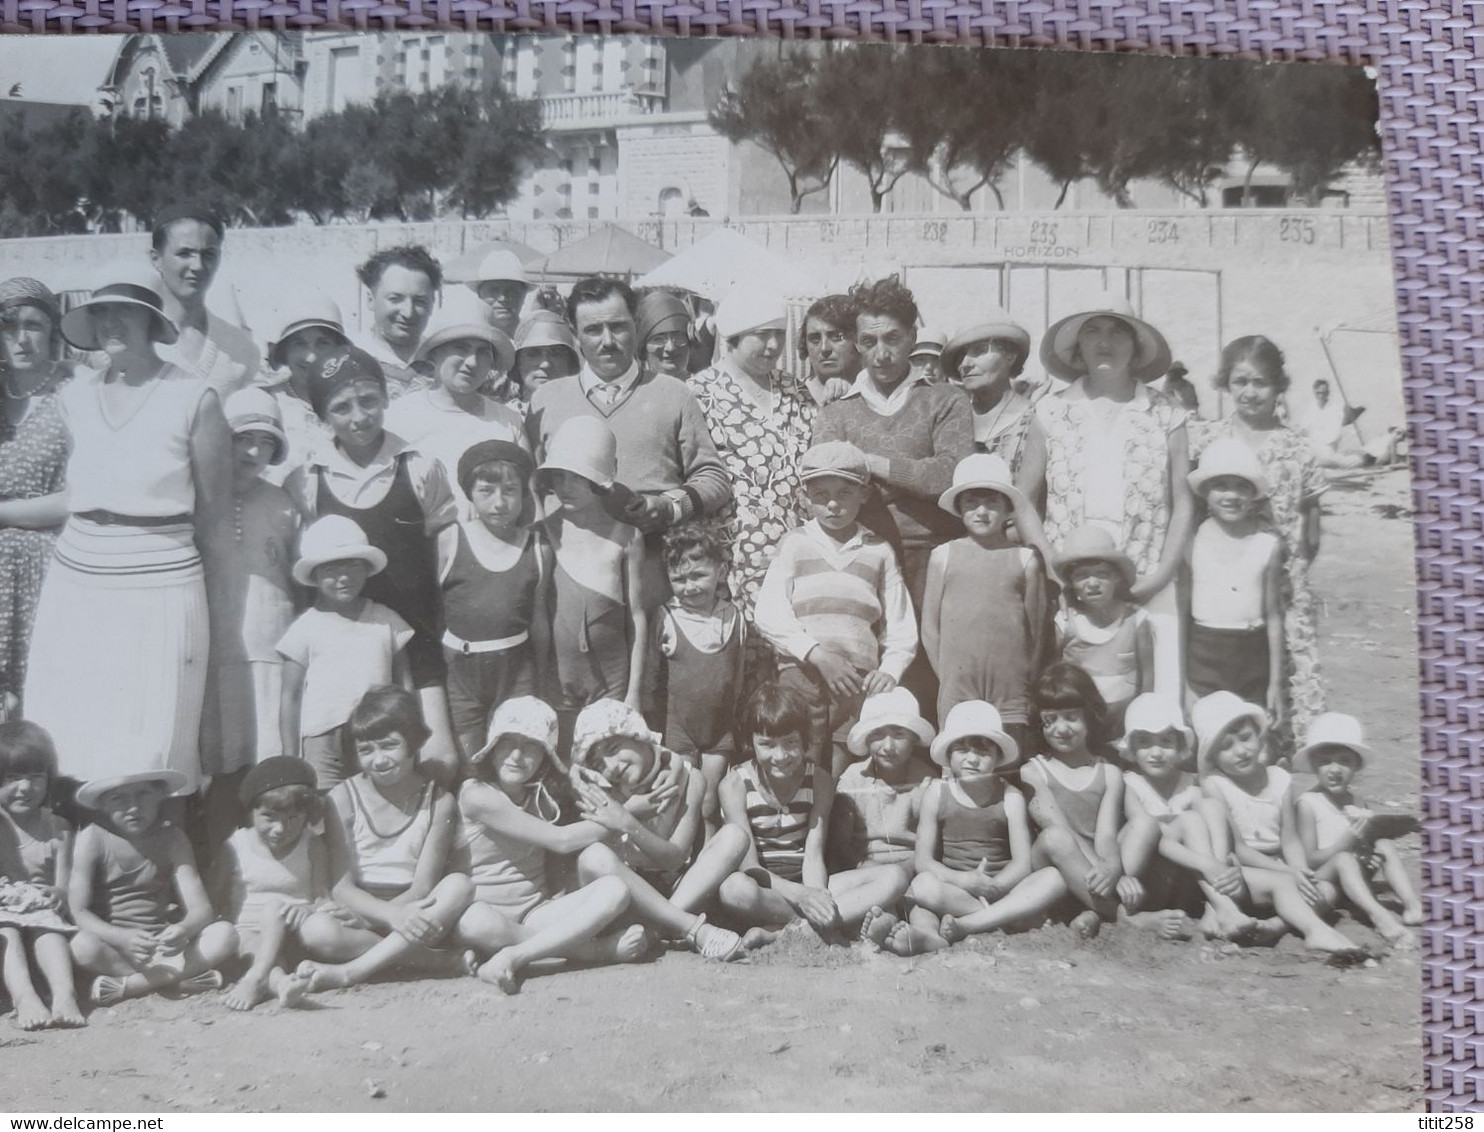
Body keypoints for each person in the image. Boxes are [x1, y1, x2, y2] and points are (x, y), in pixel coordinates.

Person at [24, 267, 234, 796]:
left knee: (155, 732)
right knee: (74, 725)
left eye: (125, 312)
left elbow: (212, 515)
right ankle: (79, 862)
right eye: (102, 313)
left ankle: (161, 865)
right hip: (79, 575)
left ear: (151, 323)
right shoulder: (76, 395)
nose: (112, 323)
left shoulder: (195, 397)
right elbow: (81, 492)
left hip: (161, 577)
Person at [282, 347, 459, 779]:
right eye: (341, 408)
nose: (358, 416)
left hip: (413, 645)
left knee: (437, 761)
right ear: (324, 416)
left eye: (369, 401)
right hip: (341, 653)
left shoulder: (419, 468)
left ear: (384, 399)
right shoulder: (308, 479)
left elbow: (447, 557)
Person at [1015, 293, 1193, 699]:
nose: (1104, 341)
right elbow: (1024, 498)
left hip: (1147, 575)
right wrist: (1052, 566)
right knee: (1078, 694)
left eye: (1116, 331)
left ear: (1137, 346)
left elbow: (1183, 500)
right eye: (1092, 331)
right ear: (1077, 347)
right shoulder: (1051, 411)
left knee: (1154, 692)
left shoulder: (1166, 412)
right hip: (1075, 582)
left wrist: (1163, 573)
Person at [526, 276, 731, 617]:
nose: (608, 341)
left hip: (654, 569)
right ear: (575, 335)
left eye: (618, 327)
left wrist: (668, 506)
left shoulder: (674, 393)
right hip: (570, 577)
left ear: (635, 327)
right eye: (593, 330)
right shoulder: (546, 401)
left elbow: (713, 477)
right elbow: (530, 486)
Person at [1189, 337, 1328, 759]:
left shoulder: (1298, 446)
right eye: (1240, 381)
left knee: (1285, 675)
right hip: (1218, 578)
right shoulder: (1207, 438)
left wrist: (1293, 567)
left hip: (1280, 579)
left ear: (1279, 386)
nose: (1250, 392)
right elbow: (1193, 511)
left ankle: (1277, 762)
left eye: (1261, 383)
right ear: (1225, 384)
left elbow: (1313, 523)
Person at [452, 698, 648, 992]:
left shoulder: (542, 795)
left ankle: (514, 954)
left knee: (615, 889)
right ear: (492, 748)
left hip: (534, 911)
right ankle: (590, 951)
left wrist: (580, 778)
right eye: (508, 743)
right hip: (484, 912)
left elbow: (587, 782)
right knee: (473, 923)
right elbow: (562, 840)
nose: (517, 755)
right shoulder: (476, 794)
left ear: (545, 757)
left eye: (531, 746)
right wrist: (628, 814)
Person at [754, 442, 917, 776]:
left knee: (842, 767)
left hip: (855, 683)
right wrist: (816, 654)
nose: (832, 505)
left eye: (844, 493)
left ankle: (833, 825)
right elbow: (768, 612)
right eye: (820, 494)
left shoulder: (878, 550)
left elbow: (901, 624)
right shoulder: (796, 543)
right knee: (799, 762)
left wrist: (891, 670)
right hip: (801, 674)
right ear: (805, 497)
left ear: (865, 495)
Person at [811, 276, 973, 611]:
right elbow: (829, 487)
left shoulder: (946, 400)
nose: (881, 354)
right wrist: (914, 479)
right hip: (859, 558)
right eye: (869, 341)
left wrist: (869, 465)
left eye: (892, 338)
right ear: (856, 342)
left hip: (935, 558)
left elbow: (951, 475)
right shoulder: (835, 412)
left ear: (912, 336)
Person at [299, 689, 478, 992]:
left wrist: (399, 914)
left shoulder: (439, 801)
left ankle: (351, 971)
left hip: (416, 910)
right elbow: (342, 887)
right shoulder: (342, 797)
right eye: (366, 750)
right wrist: (385, 916)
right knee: (317, 931)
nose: (379, 760)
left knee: (459, 885)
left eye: (389, 746)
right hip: (363, 911)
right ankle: (432, 962)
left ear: (413, 743)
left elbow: (423, 885)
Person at [567, 699, 747, 960]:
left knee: (735, 836)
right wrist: (625, 809)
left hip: (679, 892)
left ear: (638, 736)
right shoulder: (601, 790)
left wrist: (626, 822)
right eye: (599, 764)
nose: (611, 766)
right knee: (593, 856)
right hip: (627, 899)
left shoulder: (689, 777)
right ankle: (679, 926)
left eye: (614, 748)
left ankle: (658, 929)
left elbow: (675, 857)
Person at [1193, 692, 1367, 961]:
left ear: (1259, 736)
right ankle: (1315, 931)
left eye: (1245, 738)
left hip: (1280, 864)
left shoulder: (1279, 778)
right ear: (1213, 757)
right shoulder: (1216, 785)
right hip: (1245, 870)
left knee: (1324, 889)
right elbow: (1239, 848)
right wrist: (1287, 871)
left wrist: (1300, 869)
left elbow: (1290, 839)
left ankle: (1277, 926)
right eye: (1226, 746)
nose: (1241, 750)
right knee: (1287, 883)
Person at [691, 282, 818, 622]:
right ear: (732, 336)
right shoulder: (699, 394)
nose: (774, 345)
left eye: (779, 333)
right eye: (761, 335)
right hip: (732, 558)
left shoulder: (795, 390)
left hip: (797, 555)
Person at [205, 388, 300, 836]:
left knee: (266, 762)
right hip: (215, 650)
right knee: (219, 763)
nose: (254, 451)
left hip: (269, 649)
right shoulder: (199, 497)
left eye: (265, 442)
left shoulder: (284, 504)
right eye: (244, 438)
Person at [68, 769, 238, 1006]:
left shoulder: (172, 838)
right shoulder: (93, 837)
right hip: (115, 947)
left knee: (225, 934)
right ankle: (178, 978)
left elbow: (201, 909)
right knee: (81, 946)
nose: (134, 806)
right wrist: (121, 938)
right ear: (103, 804)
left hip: (162, 945)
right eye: (119, 798)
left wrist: (183, 930)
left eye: (143, 794)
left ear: (160, 795)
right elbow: (79, 911)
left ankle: (134, 986)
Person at [904, 701, 1067, 948]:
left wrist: (996, 885)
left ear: (998, 757)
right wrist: (964, 881)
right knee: (922, 886)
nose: (972, 760)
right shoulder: (937, 794)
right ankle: (1004, 918)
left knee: (1054, 878)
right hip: (956, 889)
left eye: (983, 752)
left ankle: (971, 924)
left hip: (1002, 888)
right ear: (949, 756)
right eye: (962, 751)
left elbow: (1022, 863)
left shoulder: (1010, 796)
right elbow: (923, 861)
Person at [715, 683, 866, 947]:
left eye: (790, 743)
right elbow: (749, 867)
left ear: (805, 740)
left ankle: (783, 932)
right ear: (750, 741)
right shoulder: (734, 785)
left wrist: (817, 895)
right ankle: (820, 926)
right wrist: (803, 898)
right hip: (765, 888)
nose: (780, 756)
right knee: (733, 889)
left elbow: (813, 854)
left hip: (805, 880)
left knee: (893, 878)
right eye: (767, 744)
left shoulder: (819, 780)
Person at [276, 516, 414, 788]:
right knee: (328, 808)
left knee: (377, 800)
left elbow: (405, 684)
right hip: (323, 740)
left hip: (378, 734)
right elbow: (290, 697)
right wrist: (290, 758)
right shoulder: (305, 628)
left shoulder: (385, 620)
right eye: (331, 569)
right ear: (315, 575)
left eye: (352, 565)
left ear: (366, 569)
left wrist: (409, 733)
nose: (343, 577)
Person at [438, 440, 552, 763]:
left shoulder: (537, 548)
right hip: (460, 672)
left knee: (512, 758)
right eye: (486, 491)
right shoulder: (450, 539)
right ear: (469, 493)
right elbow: (431, 615)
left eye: (510, 490)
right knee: (469, 761)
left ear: (523, 494)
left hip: (516, 670)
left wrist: (539, 680)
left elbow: (539, 620)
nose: (499, 503)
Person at [1115, 695, 1255, 943]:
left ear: (1180, 748)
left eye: (1166, 742)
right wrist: (1205, 862)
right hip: (1143, 880)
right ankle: (1222, 906)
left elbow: (1214, 825)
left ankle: (1219, 907)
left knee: (1209, 806)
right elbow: (1148, 831)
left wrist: (1219, 860)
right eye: (1145, 743)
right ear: (1132, 750)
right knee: (1188, 820)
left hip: (1184, 882)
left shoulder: (1190, 782)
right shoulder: (1130, 783)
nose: (1156, 752)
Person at [922, 452, 1045, 733]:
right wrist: (946, 676)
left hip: (1010, 684)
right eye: (972, 503)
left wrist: (1029, 679)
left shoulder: (1025, 559)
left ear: (1006, 509)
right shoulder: (943, 555)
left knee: (1008, 755)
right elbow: (929, 628)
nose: (982, 512)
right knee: (960, 755)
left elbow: (1035, 632)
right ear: (959, 508)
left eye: (992, 503)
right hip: (958, 684)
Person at [1019, 663, 1140, 939]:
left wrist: (1111, 865)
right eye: (1051, 719)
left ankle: (1093, 911)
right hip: (1053, 869)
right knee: (1056, 838)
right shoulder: (1034, 771)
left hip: (1096, 872)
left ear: (1090, 716)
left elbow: (1106, 835)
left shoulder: (1109, 772)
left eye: (1071, 717)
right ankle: (1125, 916)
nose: (1061, 728)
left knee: (1143, 826)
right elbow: (1063, 830)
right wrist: (1104, 868)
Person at [539, 417, 648, 723]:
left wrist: (634, 693)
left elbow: (637, 617)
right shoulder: (544, 533)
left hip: (613, 683)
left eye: (576, 476)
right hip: (556, 682)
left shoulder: (627, 537)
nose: (564, 486)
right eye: (558, 476)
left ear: (599, 478)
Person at [385, 289, 525, 512]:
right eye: (461, 348)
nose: (471, 362)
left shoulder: (508, 421)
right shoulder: (399, 417)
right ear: (435, 353)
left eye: (482, 352)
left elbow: (527, 499)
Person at [0, 278, 70, 713]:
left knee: (43, 700)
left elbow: (80, 496)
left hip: (48, 564)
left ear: (53, 332)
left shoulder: (72, 393)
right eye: (9, 327)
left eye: (34, 326)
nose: (21, 339)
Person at [1293, 712, 1420, 948]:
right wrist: (1347, 841)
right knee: (1343, 859)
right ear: (1313, 765)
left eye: (1344, 761)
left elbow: (1364, 845)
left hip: (1356, 875)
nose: (1335, 769)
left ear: (1357, 765)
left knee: (1384, 844)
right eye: (1325, 761)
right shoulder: (1308, 803)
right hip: (1325, 876)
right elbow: (1310, 860)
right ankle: (1379, 915)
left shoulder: (1359, 802)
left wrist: (1368, 856)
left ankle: (1412, 905)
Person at [828, 688, 932, 954]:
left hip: (912, 869)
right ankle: (884, 925)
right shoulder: (853, 778)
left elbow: (931, 844)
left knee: (923, 901)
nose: (888, 746)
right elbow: (841, 847)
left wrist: (907, 869)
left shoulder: (927, 781)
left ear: (913, 738)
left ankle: (923, 936)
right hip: (866, 872)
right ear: (866, 739)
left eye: (898, 734)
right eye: (878, 735)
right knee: (869, 898)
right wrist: (865, 865)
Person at [653, 526, 745, 829]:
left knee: (708, 802)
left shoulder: (734, 617)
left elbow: (738, 675)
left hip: (719, 731)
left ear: (720, 572)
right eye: (679, 579)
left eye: (698, 576)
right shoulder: (666, 617)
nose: (689, 587)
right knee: (681, 799)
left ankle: (708, 862)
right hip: (678, 730)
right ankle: (676, 863)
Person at [1185, 437, 1283, 714]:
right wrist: (1183, 681)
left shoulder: (1267, 545)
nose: (1231, 495)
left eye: (1242, 487)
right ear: (1204, 492)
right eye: (1220, 485)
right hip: (1204, 654)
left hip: (1252, 656)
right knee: (1206, 732)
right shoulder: (1193, 540)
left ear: (1253, 494)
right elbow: (1182, 612)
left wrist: (1275, 683)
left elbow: (1274, 615)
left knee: (1251, 734)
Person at [0, 721, 83, 1029]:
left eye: (35, 777)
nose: (25, 788)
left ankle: (64, 994)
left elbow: (64, 881)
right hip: (3, 908)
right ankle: (25, 997)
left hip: (41, 907)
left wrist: (59, 894)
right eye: (12, 778)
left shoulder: (58, 826)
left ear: (49, 779)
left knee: (48, 928)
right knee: (4, 931)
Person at [150, 204, 260, 397]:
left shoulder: (242, 348)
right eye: (184, 253)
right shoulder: (134, 340)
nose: (198, 266)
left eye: (208, 255)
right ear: (156, 259)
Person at [1053, 526, 1155, 734]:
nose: (1092, 583)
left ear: (1117, 577)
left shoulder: (1136, 619)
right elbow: (1053, 673)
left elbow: (1148, 677)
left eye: (1102, 575)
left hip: (1123, 724)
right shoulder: (1065, 621)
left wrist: (1142, 719)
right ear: (1072, 583)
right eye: (1082, 576)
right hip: (1077, 729)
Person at [257, 297, 347, 484]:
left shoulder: (354, 404)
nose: (311, 357)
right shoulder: (266, 402)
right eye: (299, 344)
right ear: (285, 351)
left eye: (323, 343)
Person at [939, 309, 1036, 476]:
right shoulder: (949, 418)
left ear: (1010, 355)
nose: (965, 364)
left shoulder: (1035, 420)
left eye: (979, 350)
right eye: (961, 356)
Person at [353, 245, 442, 400]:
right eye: (395, 299)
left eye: (420, 301)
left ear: (433, 303)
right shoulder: (351, 361)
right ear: (370, 300)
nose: (408, 312)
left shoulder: (444, 361)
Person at [510, 310, 581, 414]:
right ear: (518, 362)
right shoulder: (502, 418)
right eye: (533, 354)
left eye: (555, 353)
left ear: (570, 363)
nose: (545, 364)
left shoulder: (584, 413)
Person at [798, 293, 861, 407]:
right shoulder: (791, 396)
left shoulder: (875, 395)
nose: (824, 348)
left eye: (837, 337)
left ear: (859, 341)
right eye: (815, 339)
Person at [460, 247, 529, 339]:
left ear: (523, 296)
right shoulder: (466, 339)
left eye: (512, 291)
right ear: (479, 295)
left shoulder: (534, 339)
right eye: (493, 291)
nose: (502, 298)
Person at [635, 290, 692, 380]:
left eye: (678, 338)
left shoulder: (707, 390)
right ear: (643, 347)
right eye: (658, 339)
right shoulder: (630, 391)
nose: (670, 348)